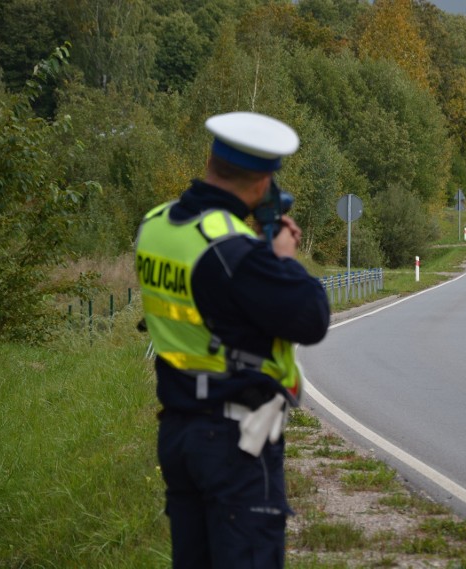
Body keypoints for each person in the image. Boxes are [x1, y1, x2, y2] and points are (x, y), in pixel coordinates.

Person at [135, 111, 330, 568]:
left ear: (212, 160)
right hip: (234, 441)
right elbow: (311, 317)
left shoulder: (157, 225)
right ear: (263, 182)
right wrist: (281, 257)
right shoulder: (234, 251)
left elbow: (217, 309)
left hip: (180, 431)